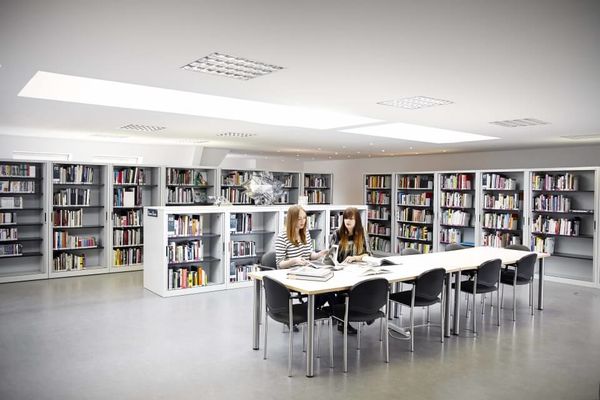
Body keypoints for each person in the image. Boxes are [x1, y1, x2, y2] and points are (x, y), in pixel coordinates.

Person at [329, 207, 372, 334]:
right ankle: (343, 321)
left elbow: (369, 253)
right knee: (344, 291)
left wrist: (355, 258)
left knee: (365, 287)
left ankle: (365, 312)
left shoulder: (362, 232)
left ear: (357, 220)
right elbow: (331, 255)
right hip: (340, 271)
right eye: (346, 218)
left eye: (351, 218)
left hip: (358, 270)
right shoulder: (337, 233)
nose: (348, 221)